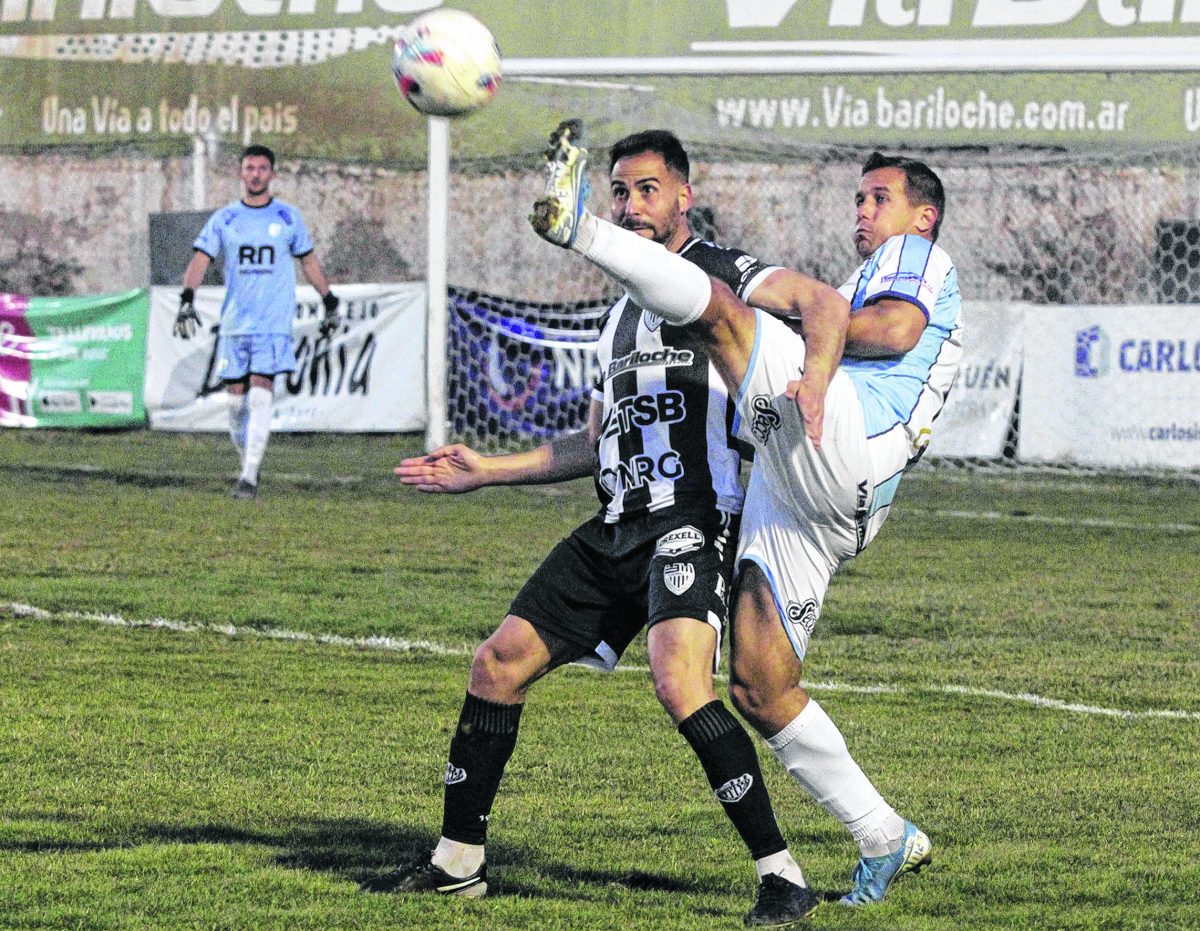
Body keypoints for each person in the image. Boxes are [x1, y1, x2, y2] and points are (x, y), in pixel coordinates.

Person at [375, 128, 850, 927]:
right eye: (620, 192)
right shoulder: (618, 314)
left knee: (679, 681)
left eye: (647, 190)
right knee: (497, 663)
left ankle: (783, 876)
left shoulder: (720, 272)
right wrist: (486, 470)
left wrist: (815, 380)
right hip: (619, 521)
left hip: (695, 518)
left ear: (683, 196)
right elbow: (595, 442)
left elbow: (824, 303)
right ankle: (458, 863)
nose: (632, 207)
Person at [530, 120, 963, 909]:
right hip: (805, 492)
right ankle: (881, 832)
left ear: (921, 215)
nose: (863, 212)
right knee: (761, 686)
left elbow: (889, 329)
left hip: (849, 442)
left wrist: (811, 361)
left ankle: (576, 226)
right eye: (859, 198)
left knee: (725, 319)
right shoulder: (870, 271)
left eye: (879, 198)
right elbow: (835, 309)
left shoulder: (917, 256)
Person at [173, 144, 341, 500]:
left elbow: (308, 262)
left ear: (272, 174)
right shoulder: (225, 219)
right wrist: (187, 298)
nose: (255, 174)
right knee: (235, 404)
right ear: (241, 173)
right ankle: (251, 459)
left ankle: (248, 477)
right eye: (250, 168)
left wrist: (329, 299)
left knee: (261, 395)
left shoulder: (287, 217)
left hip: (272, 321)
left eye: (262, 168)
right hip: (235, 323)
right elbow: (200, 259)